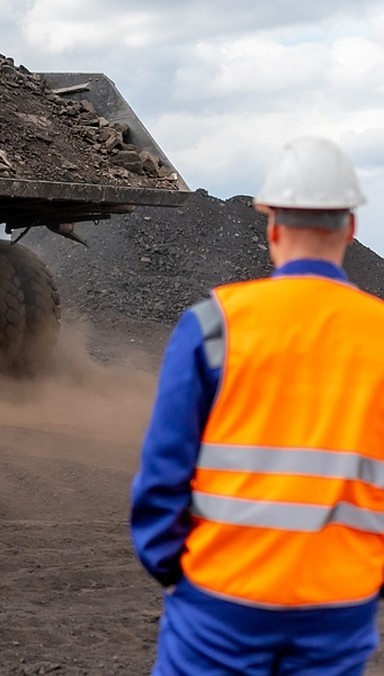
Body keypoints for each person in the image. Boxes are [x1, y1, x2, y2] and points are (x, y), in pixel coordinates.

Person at [130, 135, 384, 674]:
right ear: (352, 230)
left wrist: (175, 569)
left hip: (222, 597)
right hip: (339, 602)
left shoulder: (213, 326)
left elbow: (163, 473)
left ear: (272, 229)